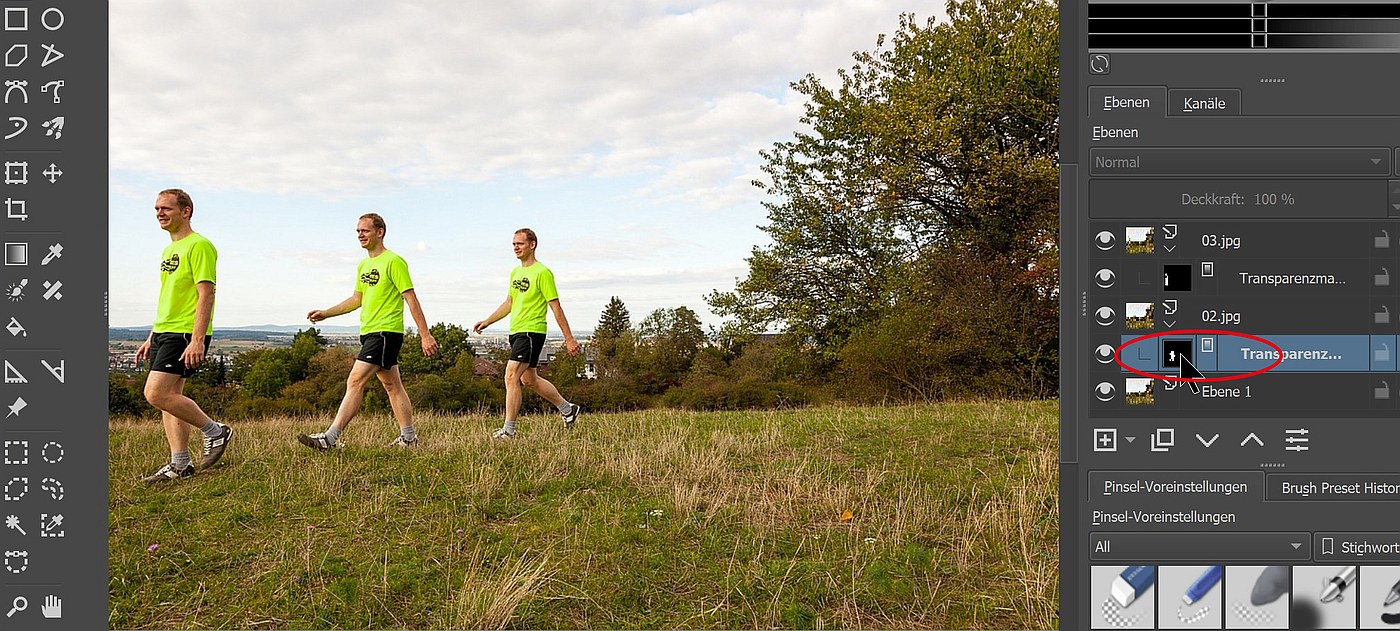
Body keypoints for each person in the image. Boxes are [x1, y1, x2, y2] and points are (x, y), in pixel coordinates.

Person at [297, 213, 438, 449]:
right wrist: (326, 313)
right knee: (392, 385)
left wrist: (425, 334)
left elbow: (410, 298)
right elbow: (356, 299)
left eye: (365, 231)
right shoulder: (364, 265)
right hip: (370, 332)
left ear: (379, 232)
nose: (360, 235)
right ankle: (409, 437)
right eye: (358, 232)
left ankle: (330, 438)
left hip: (386, 332)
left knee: (355, 380)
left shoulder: (394, 261)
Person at [135, 189, 234, 484]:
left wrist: (197, 339)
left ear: (186, 211)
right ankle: (180, 464)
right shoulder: (168, 251)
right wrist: (152, 335)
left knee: (155, 394)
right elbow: (170, 296)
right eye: (156, 209)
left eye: (166, 208)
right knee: (170, 397)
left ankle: (216, 431)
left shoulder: (199, 245)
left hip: (184, 332)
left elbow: (206, 293)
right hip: (165, 330)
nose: (160, 214)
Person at [473, 228, 581, 438]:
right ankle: (568, 409)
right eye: (514, 244)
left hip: (532, 332)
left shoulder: (542, 273)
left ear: (532, 245)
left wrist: (569, 338)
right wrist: (487, 320)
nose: (516, 248)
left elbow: (556, 307)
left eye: (520, 243)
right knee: (529, 379)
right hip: (516, 331)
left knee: (510, 375)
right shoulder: (515, 273)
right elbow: (510, 302)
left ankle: (509, 430)